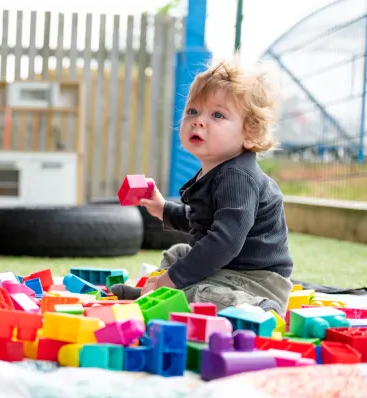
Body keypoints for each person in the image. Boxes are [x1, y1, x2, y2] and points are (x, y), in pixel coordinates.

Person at [111, 58, 294, 313]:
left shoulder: (238, 178)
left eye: (217, 115)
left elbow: (224, 242)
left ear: (250, 133)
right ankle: (156, 295)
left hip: (255, 281)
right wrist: (164, 209)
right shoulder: (216, 170)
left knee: (196, 290)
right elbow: (204, 223)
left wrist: (171, 280)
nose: (198, 121)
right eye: (192, 111)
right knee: (178, 254)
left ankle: (259, 309)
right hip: (228, 269)